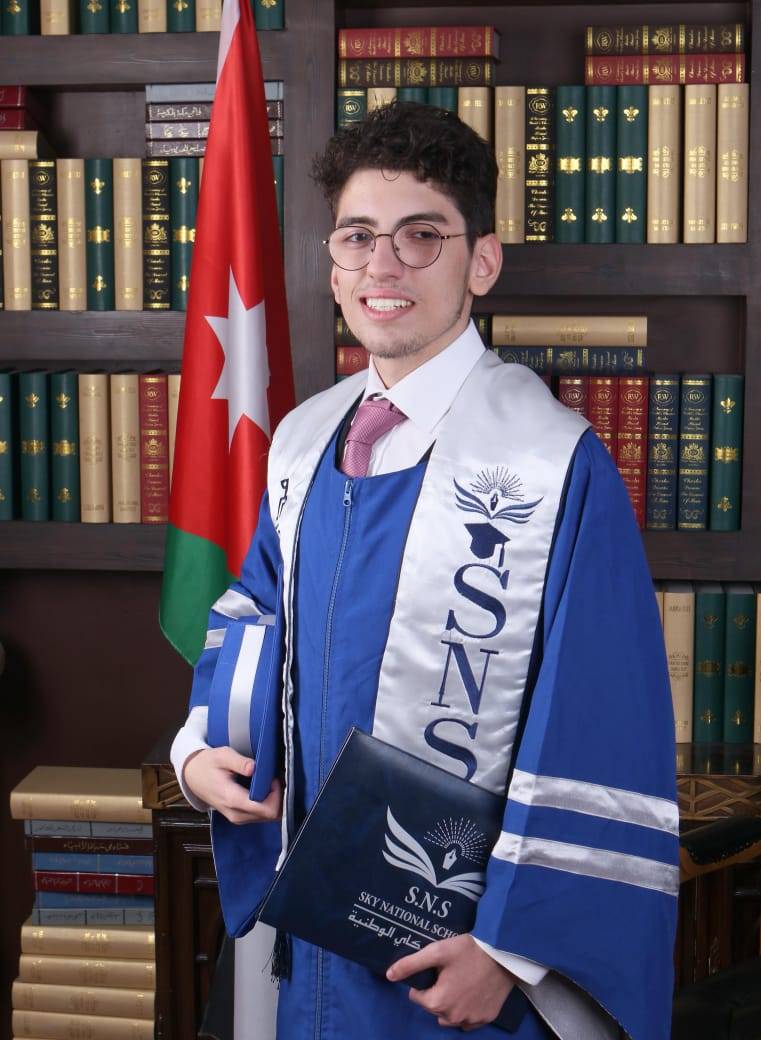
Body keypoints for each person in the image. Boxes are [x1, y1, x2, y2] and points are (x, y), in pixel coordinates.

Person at [171, 102, 678, 1040]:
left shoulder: (551, 465)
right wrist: (202, 750)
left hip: (461, 965)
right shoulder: (304, 441)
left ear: (480, 261)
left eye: (420, 236)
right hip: (316, 926)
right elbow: (251, 617)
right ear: (333, 262)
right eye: (358, 236)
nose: (383, 266)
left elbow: (601, 725)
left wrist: (509, 952)